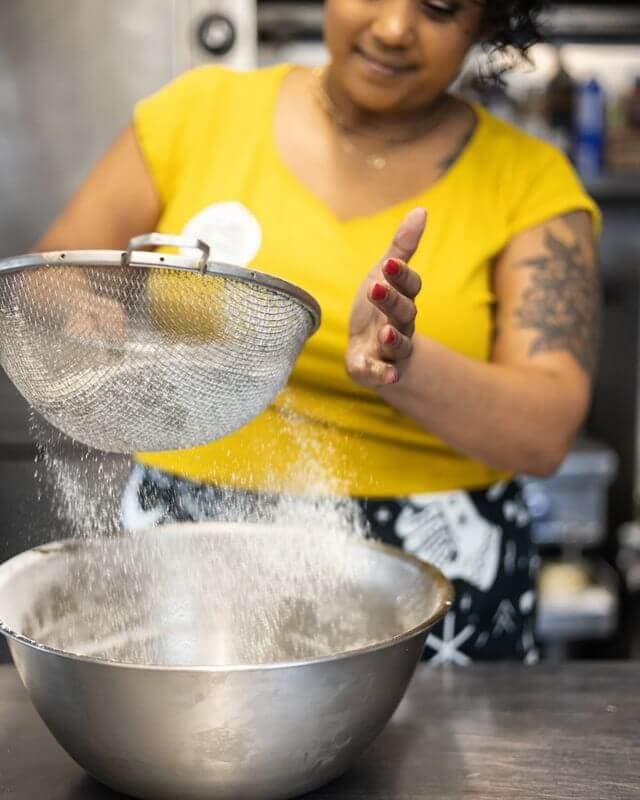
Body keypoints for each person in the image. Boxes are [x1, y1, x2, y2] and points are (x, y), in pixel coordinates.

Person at [34, 0, 600, 664]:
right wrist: (81, 310)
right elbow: (58, 267)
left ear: (489, 23)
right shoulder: (199, 114)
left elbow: (545, 430)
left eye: (440, 8)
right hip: (187, 545)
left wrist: (402, 364)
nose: (393, 28)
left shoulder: (530, 182)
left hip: (437, 569)